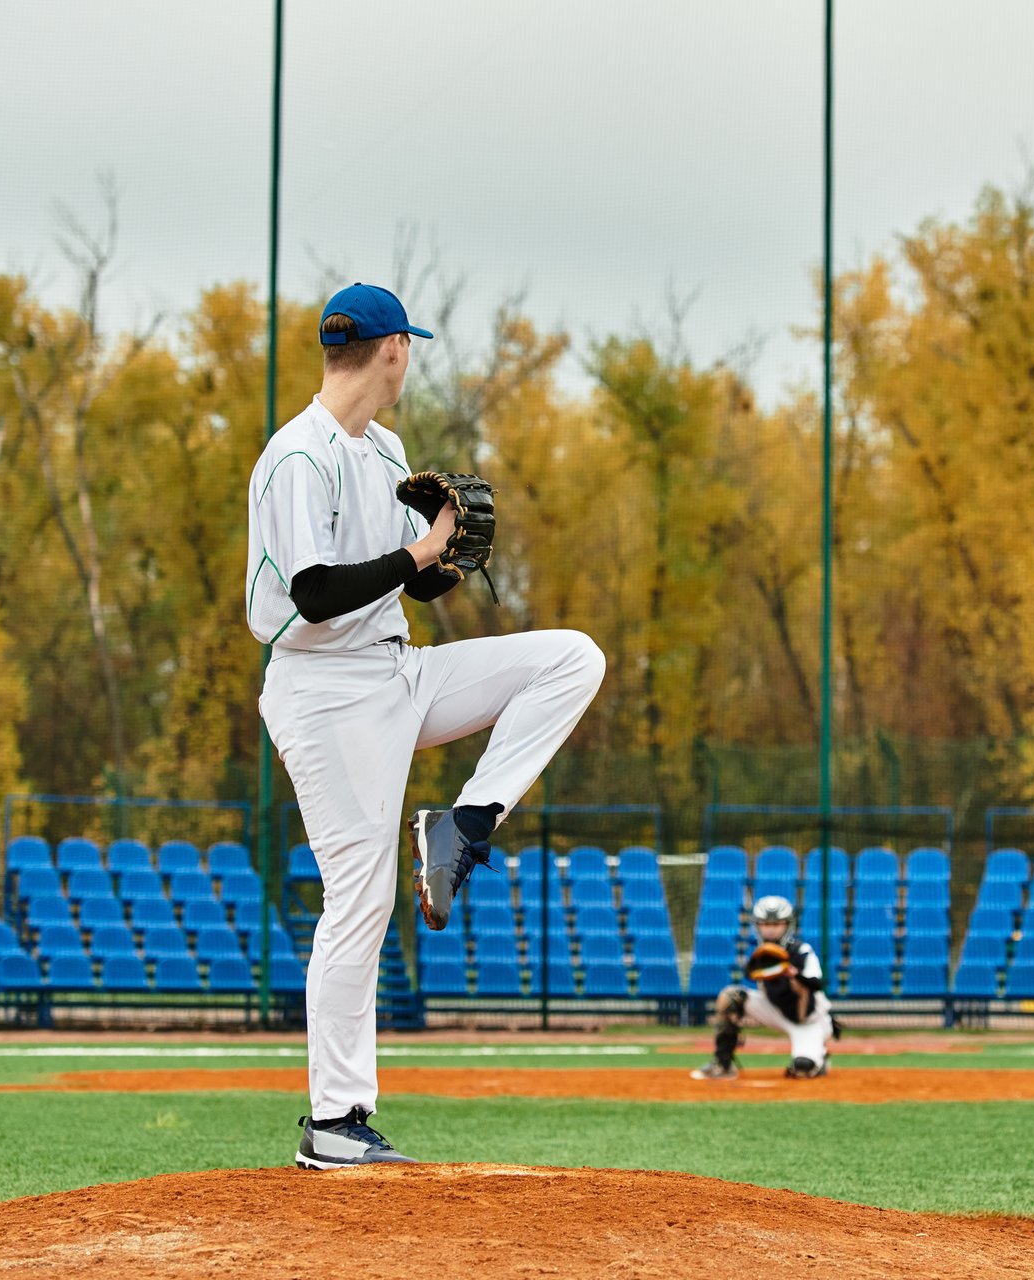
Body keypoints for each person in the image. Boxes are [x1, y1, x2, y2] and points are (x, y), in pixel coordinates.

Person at [247, 282, 605, 1168]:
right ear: (394, 349)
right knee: (359, 899)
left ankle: (465, 823)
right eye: (411, 345)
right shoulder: (300, 456)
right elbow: (316, 593)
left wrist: (440, 556)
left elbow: (401, 586)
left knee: (571, 658)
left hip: (395, 668)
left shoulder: (385, 451)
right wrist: (418, 550)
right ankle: (335, 1122)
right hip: (324, 690)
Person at [690, 894, 839, 1081]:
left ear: (787, 925)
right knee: (731, 996)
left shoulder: (801, 951)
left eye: (776, 924)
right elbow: (748, 974)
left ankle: (819, 1057)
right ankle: (722, 1063)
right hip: (775, 1011)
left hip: (808, 1020)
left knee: (802, 1069)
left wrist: (792, 973)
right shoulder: (760, 953)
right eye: (765, 924)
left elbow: (817, 983)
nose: (770, 929)